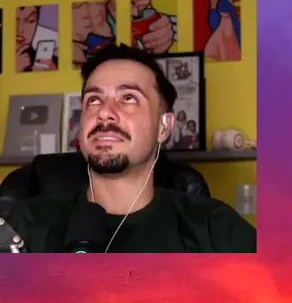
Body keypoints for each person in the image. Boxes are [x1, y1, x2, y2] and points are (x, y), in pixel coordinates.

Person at [6, 44, 256, 253]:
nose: (104, 112)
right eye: (94, 100)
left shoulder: (214, 228)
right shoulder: (26, 224)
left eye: (128, 98)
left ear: (164, 127)